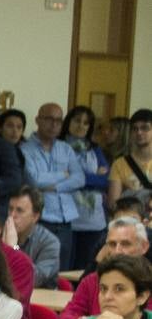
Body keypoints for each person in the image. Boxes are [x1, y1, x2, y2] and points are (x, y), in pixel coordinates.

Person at [55, 216, 152, 319]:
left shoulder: (148, 281)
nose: (117, 251)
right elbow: (66, 315)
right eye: (112, 244)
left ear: (144, 247)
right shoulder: (92, 280)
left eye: (125, 244)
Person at [22, 102, 86, 272]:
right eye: (49, 119)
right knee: (38, 272)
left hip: (65, 222)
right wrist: (63, 175)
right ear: (37, 120)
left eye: (58, 120)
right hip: (41, 220)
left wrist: (54, 187)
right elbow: (34, 180)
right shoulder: (25, 149)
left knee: (63, 273)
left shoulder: (66, 149)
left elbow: (79, 178)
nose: (54, 124)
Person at [65, 104, 110, 270]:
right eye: (77, 121)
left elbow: (105, 180)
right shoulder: (60, 146)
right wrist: (93, 176)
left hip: (93, 220)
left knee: (87, 267)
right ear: (68, 122)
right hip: (68, 216)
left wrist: (77, 176)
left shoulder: (95, 149)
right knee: (66, 268)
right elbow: (61, 180)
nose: (81, 126)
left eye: (86, 123)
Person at [9, 185, 61, 289]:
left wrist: (13, 248)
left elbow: (34, 279)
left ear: (35, 216)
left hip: (42, 299)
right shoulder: (0, 235)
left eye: (19, 211)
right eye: (10, 209)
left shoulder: (50, 242)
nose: (12, 215)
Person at [107, 107, 152, 208]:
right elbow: (113, 204)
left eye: (145, 128)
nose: (139, 132)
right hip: (131, 220)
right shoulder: (119, 164)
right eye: (135, 129)